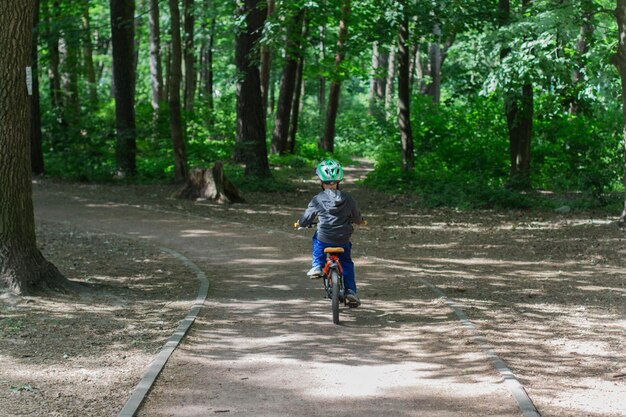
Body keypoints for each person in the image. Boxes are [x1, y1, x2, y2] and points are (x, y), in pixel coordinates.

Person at [297, 159, 364, 307]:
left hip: (324, 237)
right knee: (346, 261)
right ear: (339, 180)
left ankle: (317, 265)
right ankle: (351, 291)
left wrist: (301, 223)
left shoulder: (317, 199)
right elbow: (357, 217)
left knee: (317, 239)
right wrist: (360, 221)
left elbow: (307, 218)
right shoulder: (347, 198)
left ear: (321, 180)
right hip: (343, 238)